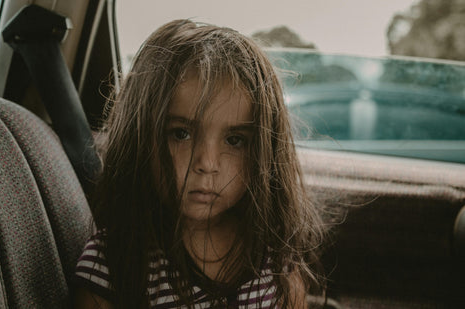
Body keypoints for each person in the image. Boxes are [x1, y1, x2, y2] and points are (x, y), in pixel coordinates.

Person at [74, 19, 325, 308]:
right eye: (181, 134)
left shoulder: (273, 259)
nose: (207, 163)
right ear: (140, 139)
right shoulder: (113, 263)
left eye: (235, 140)